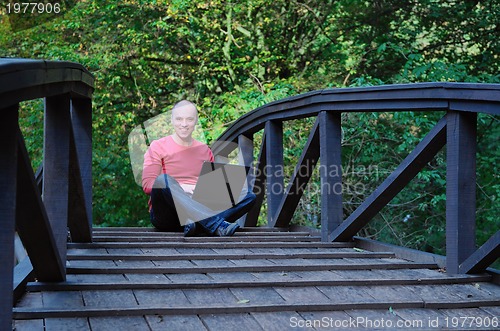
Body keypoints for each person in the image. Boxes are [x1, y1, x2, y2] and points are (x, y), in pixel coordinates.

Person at [142, 100, 256, 236]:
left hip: (198, 208)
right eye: (179, 119)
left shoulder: (204, 150)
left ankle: (197, 225)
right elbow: (148, 185)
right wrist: (184, 188)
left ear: (196, 121)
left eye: (189, 119)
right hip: (167, 215)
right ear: (172, 120)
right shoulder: (157, 146)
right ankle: (214, 225)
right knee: (162, 180)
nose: (184, 124)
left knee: (248, 196)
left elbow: (210, 189)